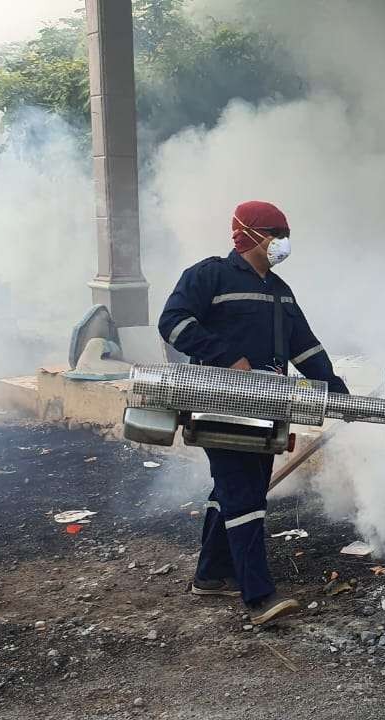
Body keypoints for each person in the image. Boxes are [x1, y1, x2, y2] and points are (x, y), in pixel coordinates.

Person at [158, 200, 349, 625]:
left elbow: (304, 346)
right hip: (220, 403)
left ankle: (211, 576)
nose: (282, 243)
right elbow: (172, 323)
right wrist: (228, 357)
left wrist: (336, 390)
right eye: (276, 234)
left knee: (235, 489)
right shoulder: (209, 275)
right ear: (251, 235)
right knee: (243, 490)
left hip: (267, 406)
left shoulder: (280, 291)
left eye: (285, 235)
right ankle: (258, 596)